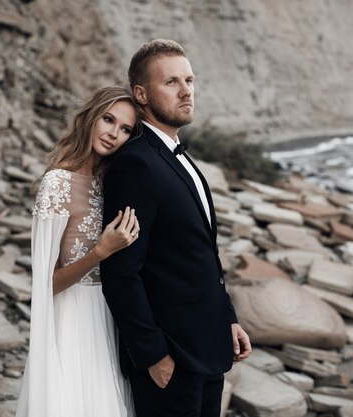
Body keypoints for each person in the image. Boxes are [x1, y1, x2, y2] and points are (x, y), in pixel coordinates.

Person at [101, 39, 252, 417]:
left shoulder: (177, 156)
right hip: (171, 360)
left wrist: (227, 318)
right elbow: (121, 270)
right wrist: (152, 354)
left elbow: (198, 253)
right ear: (142, 94)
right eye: (171, 82)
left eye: (189, 80)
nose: (186, 91)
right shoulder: (136, 164)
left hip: (208, 345)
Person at [15, 86, 142, 417]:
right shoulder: (57, 183)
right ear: (90, 118)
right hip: (72, 318)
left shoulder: (111, 183)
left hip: (111, 315)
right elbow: (47, 284)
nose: (114, 134)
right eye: (108, 120)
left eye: (126, 129)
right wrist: (100, 251)